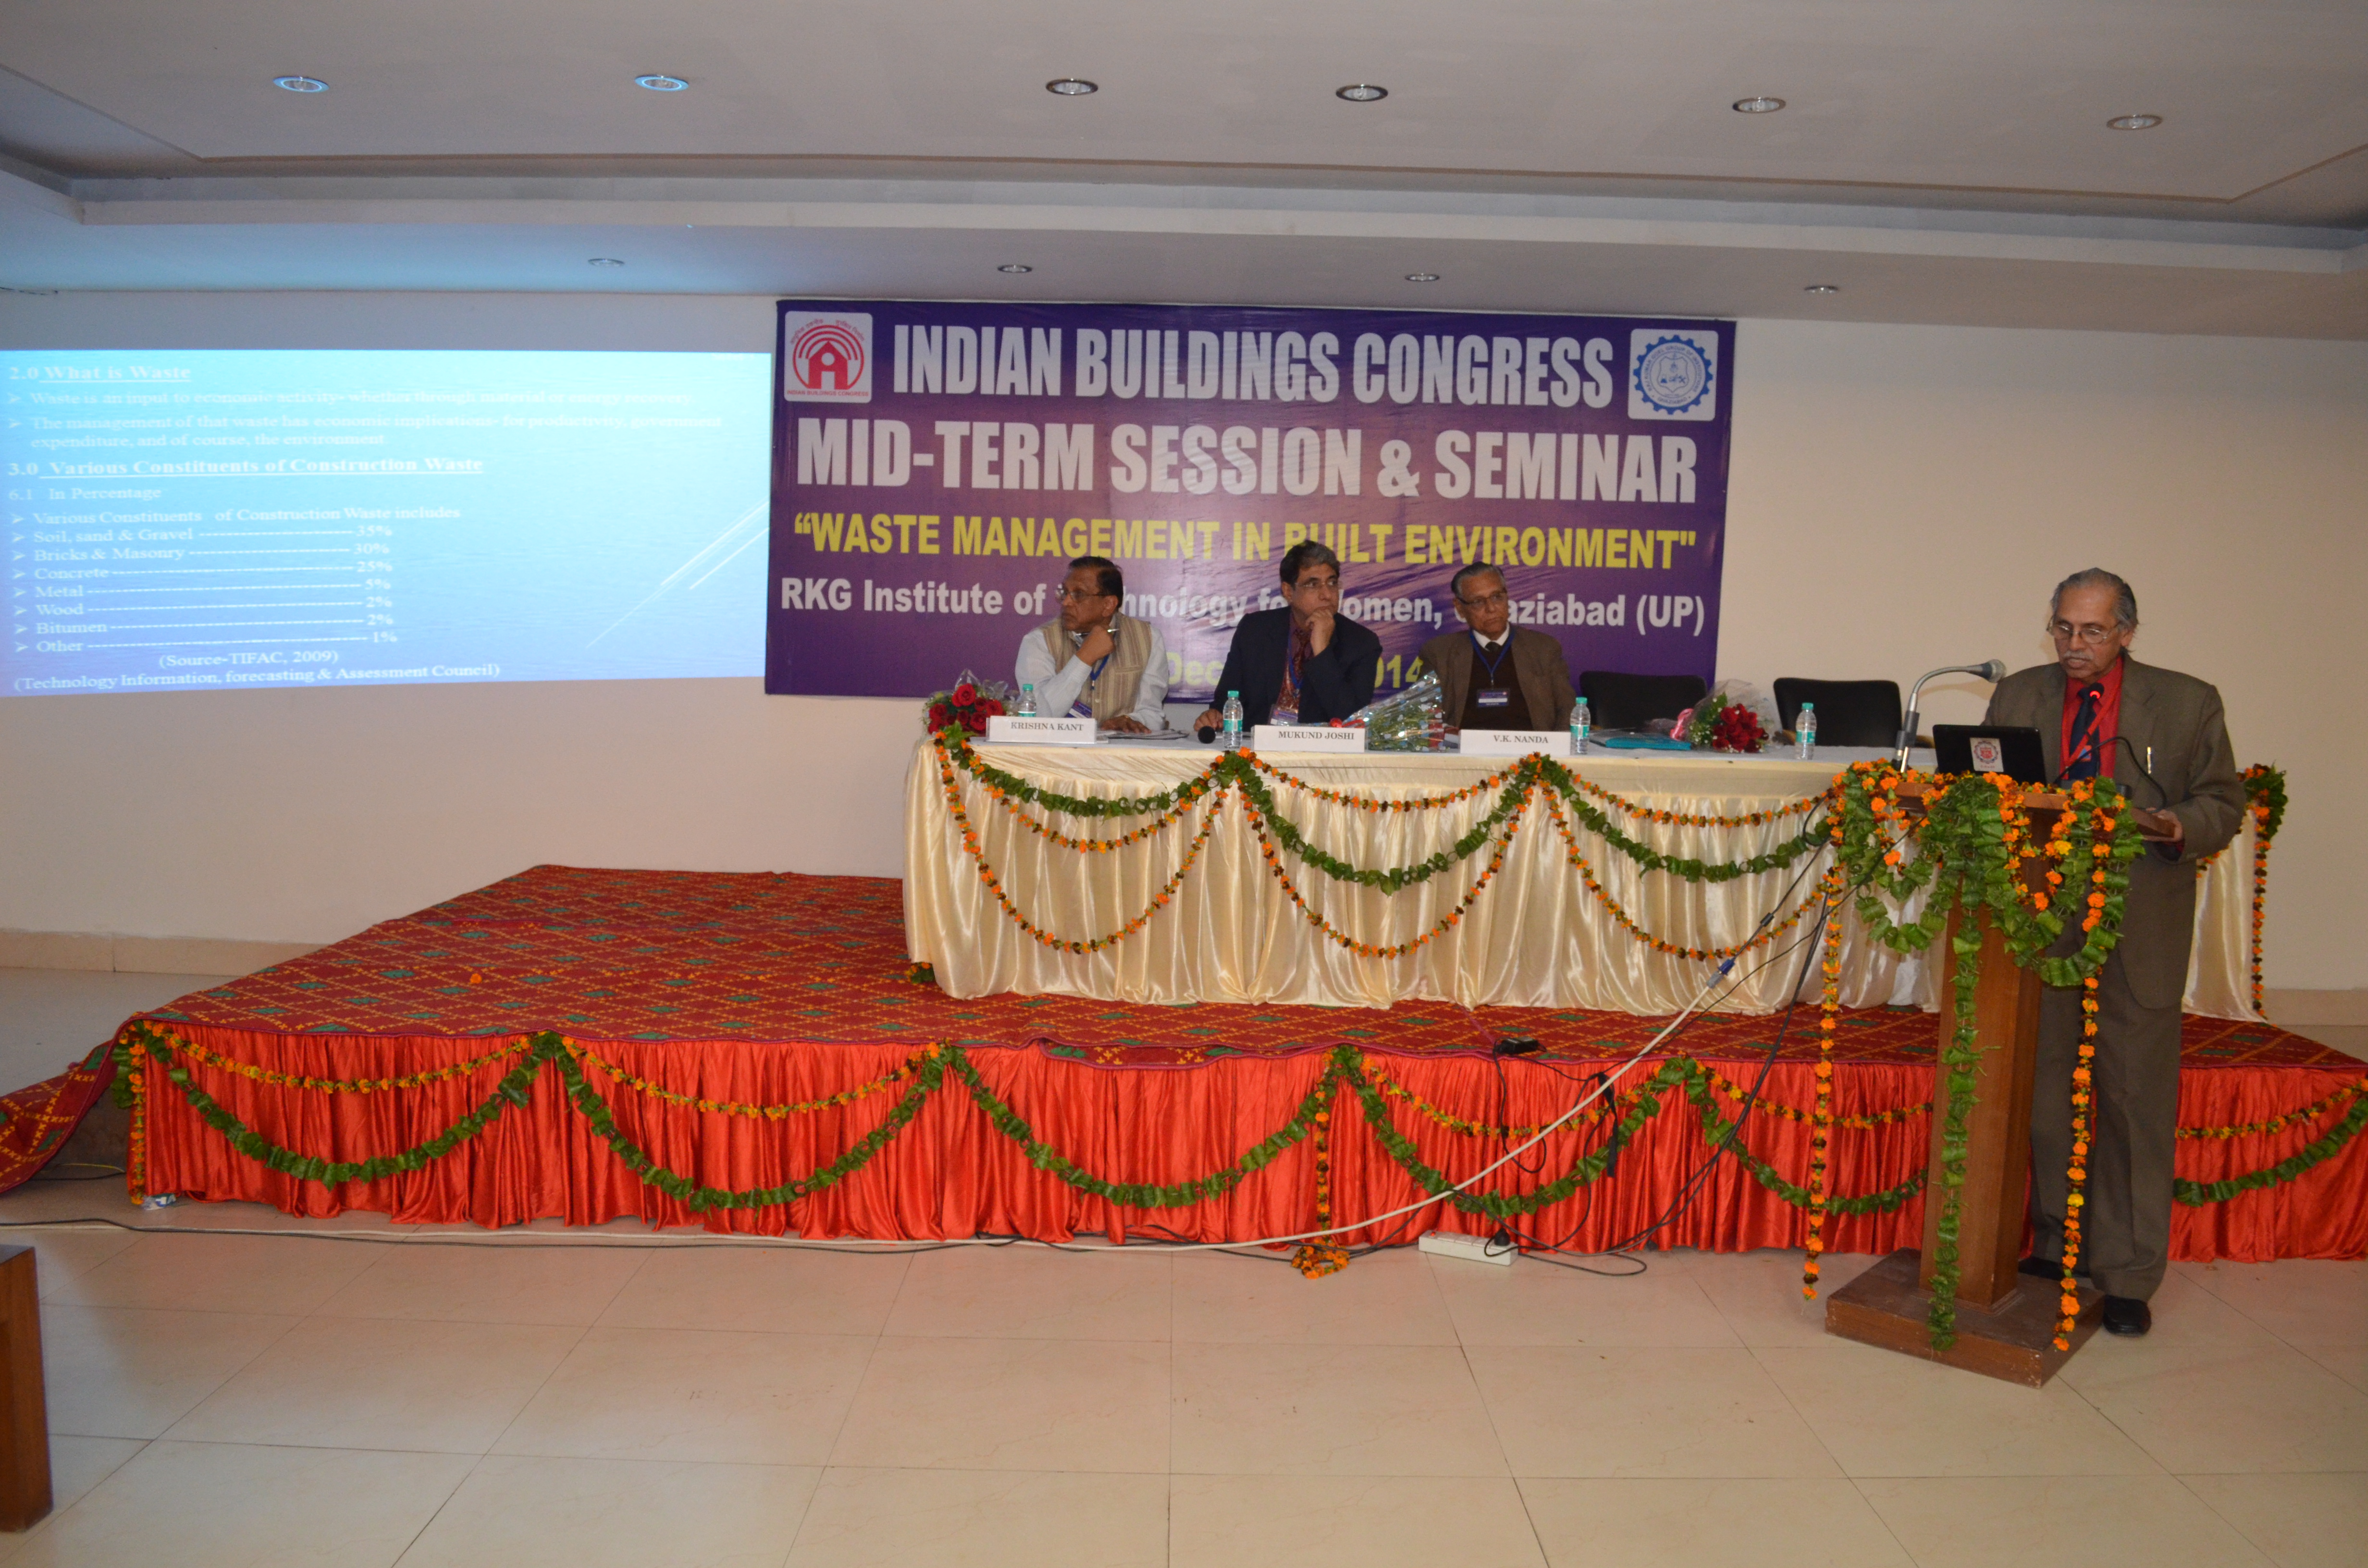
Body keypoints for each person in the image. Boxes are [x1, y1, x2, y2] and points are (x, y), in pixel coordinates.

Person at [1985, 568, 2243, 1338]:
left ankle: (2126, 1274)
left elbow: (2222, 802)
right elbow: (1985, 790)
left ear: (2126, 632)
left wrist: (2177, 824)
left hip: (2141, 920)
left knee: (2132, 1098)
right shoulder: (2018, 696)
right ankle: (2057, 1247)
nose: (2074, 644)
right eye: (2063, 628)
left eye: (2092, 631)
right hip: (2043, 914)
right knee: (2045, 1093)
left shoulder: (2188, 702)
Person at [1194, 540, 1381, 733]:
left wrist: (1322, 652)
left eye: (1332, 583)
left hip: (1321, 749)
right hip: (1257, 747)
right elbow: (1226, 701)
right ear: (1288, 592)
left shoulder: (1362, 643)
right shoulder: (1255, 630)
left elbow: (1353, 721)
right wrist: (1215, 716)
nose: (1327, 594)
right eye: (1313, 585)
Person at [1415, 563, 1577, 733]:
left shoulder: (1543, 648)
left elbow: (1568, 709)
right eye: (1478, 602)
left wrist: (1554, 747)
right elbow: (1422, 715)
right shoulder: (1439, 653)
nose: (1491, 608)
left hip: (1531, 747)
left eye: (1497, 597)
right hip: (1464, 748)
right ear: (1460, 608)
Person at [1014, 556, 1169, 732]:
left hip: (1122, 748)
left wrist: (1131, 720)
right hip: (1060, 748)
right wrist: (1084, 658)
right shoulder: (1039, 641)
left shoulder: (1148, 638)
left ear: (1108, 605)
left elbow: (1153, 714)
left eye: (1079, 594)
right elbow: (1038, 718)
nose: (1066, 602)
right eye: (1065, 592)